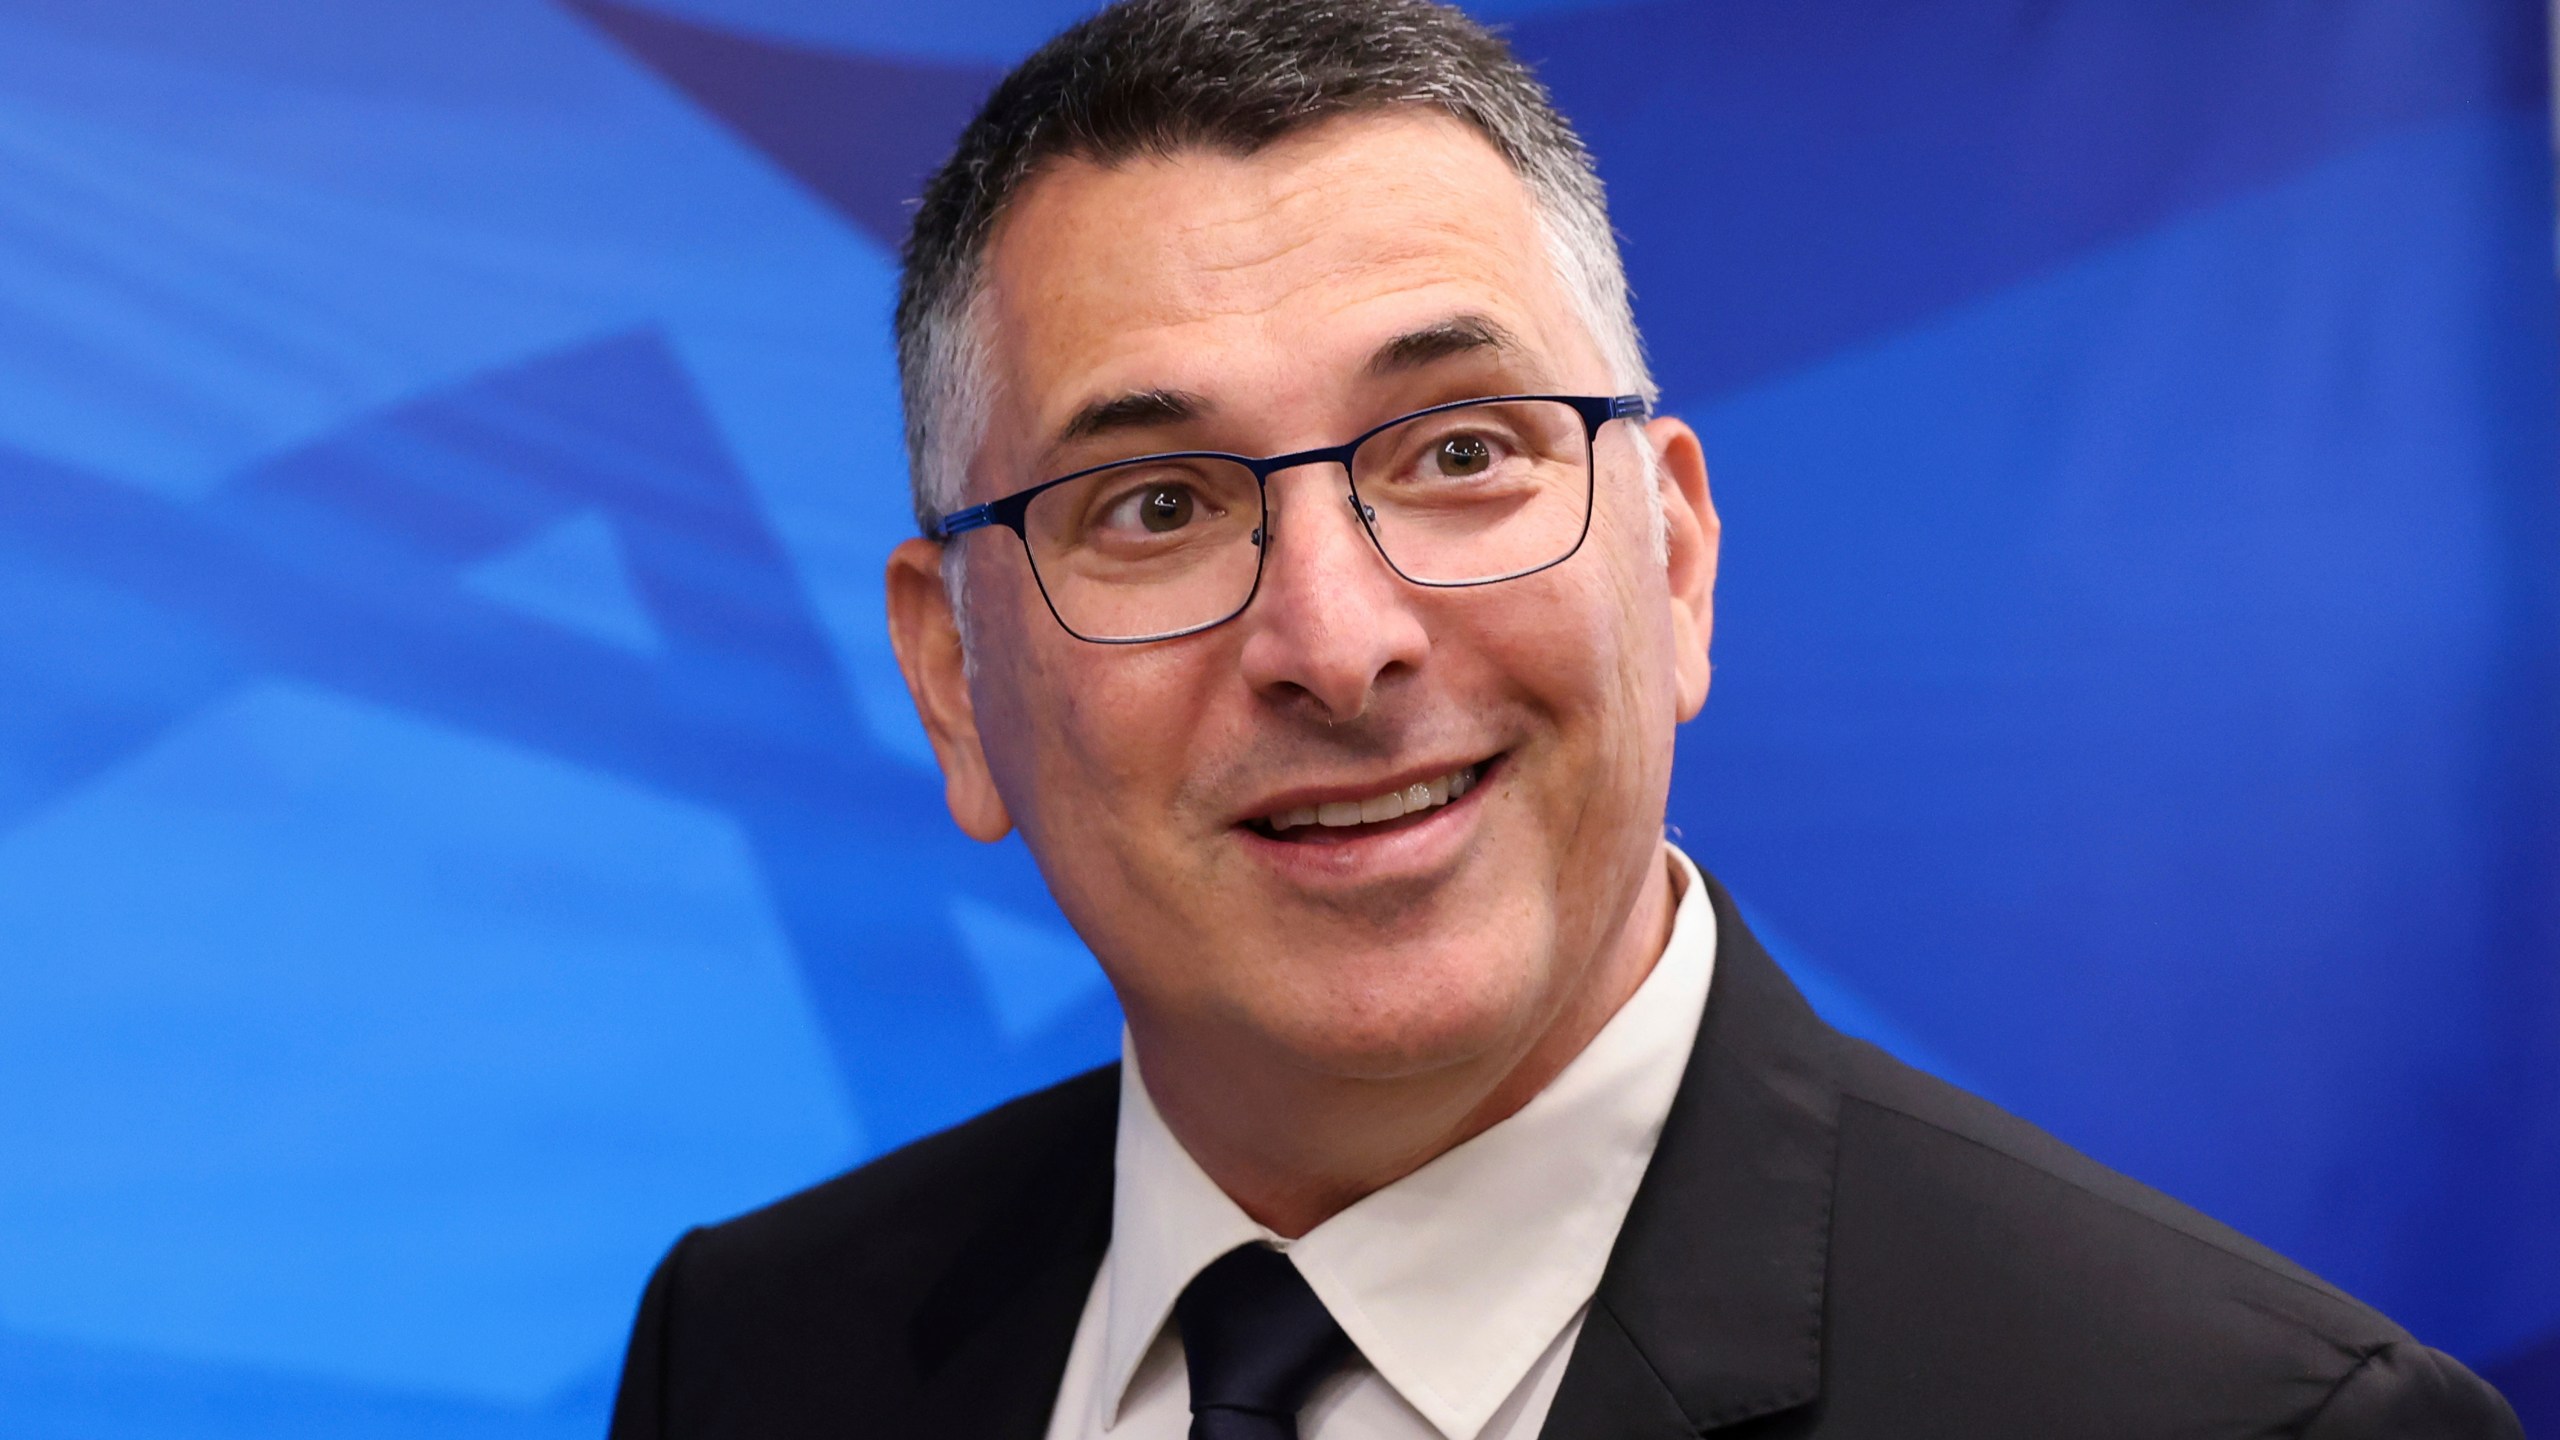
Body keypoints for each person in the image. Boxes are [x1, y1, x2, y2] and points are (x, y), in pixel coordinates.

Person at [606, 2, 2522, 1436]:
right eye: (1159, 507)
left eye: (1458, 453)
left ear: (1675, 562)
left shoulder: (2246, 1429)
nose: (1335, 643)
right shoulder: (757, 1354)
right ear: (956, 680)